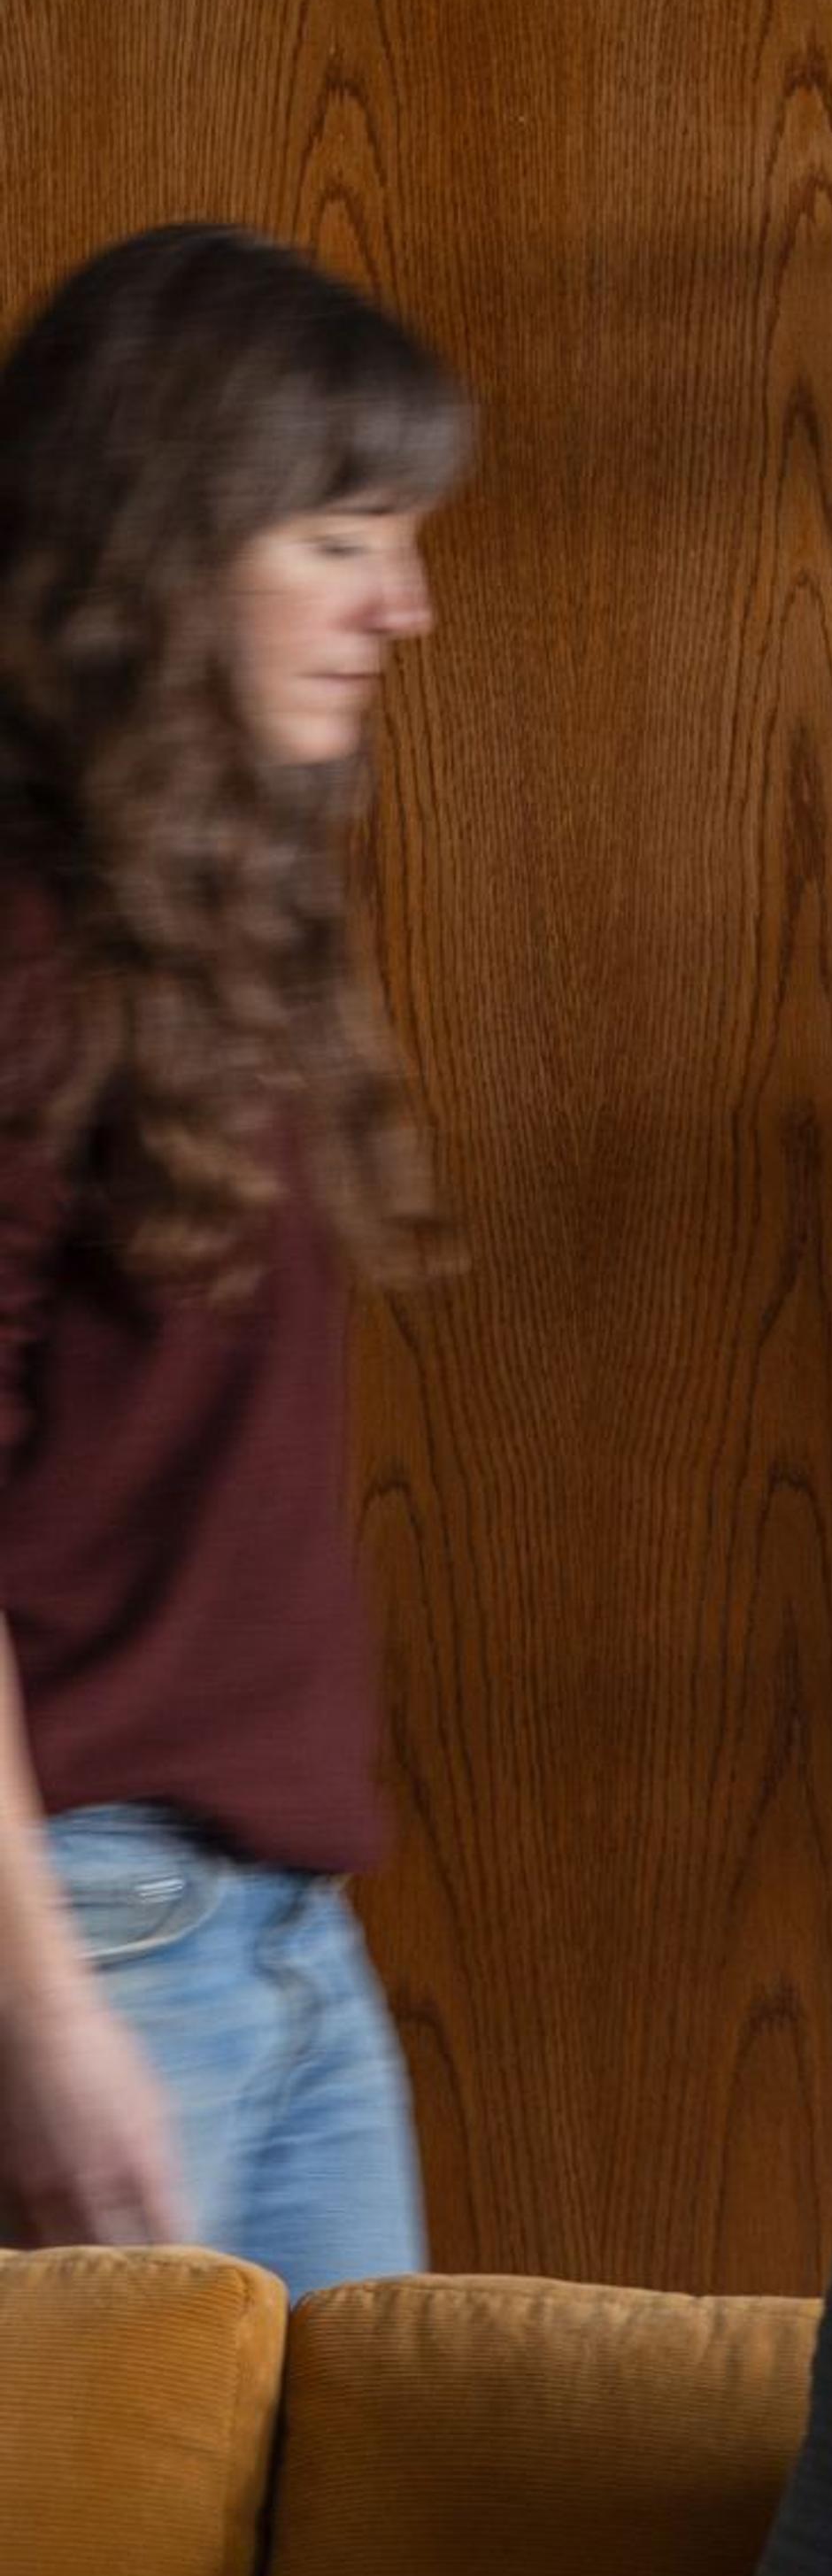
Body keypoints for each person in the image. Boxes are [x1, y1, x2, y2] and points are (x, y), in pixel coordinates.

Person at [0, 225, 467, 2297]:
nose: (407, 604)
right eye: (342, 536)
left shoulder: (176, 918)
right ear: (160, 544)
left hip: (272, 1927)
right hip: (92, 1944)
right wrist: (44, 2033)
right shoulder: (21, 955)